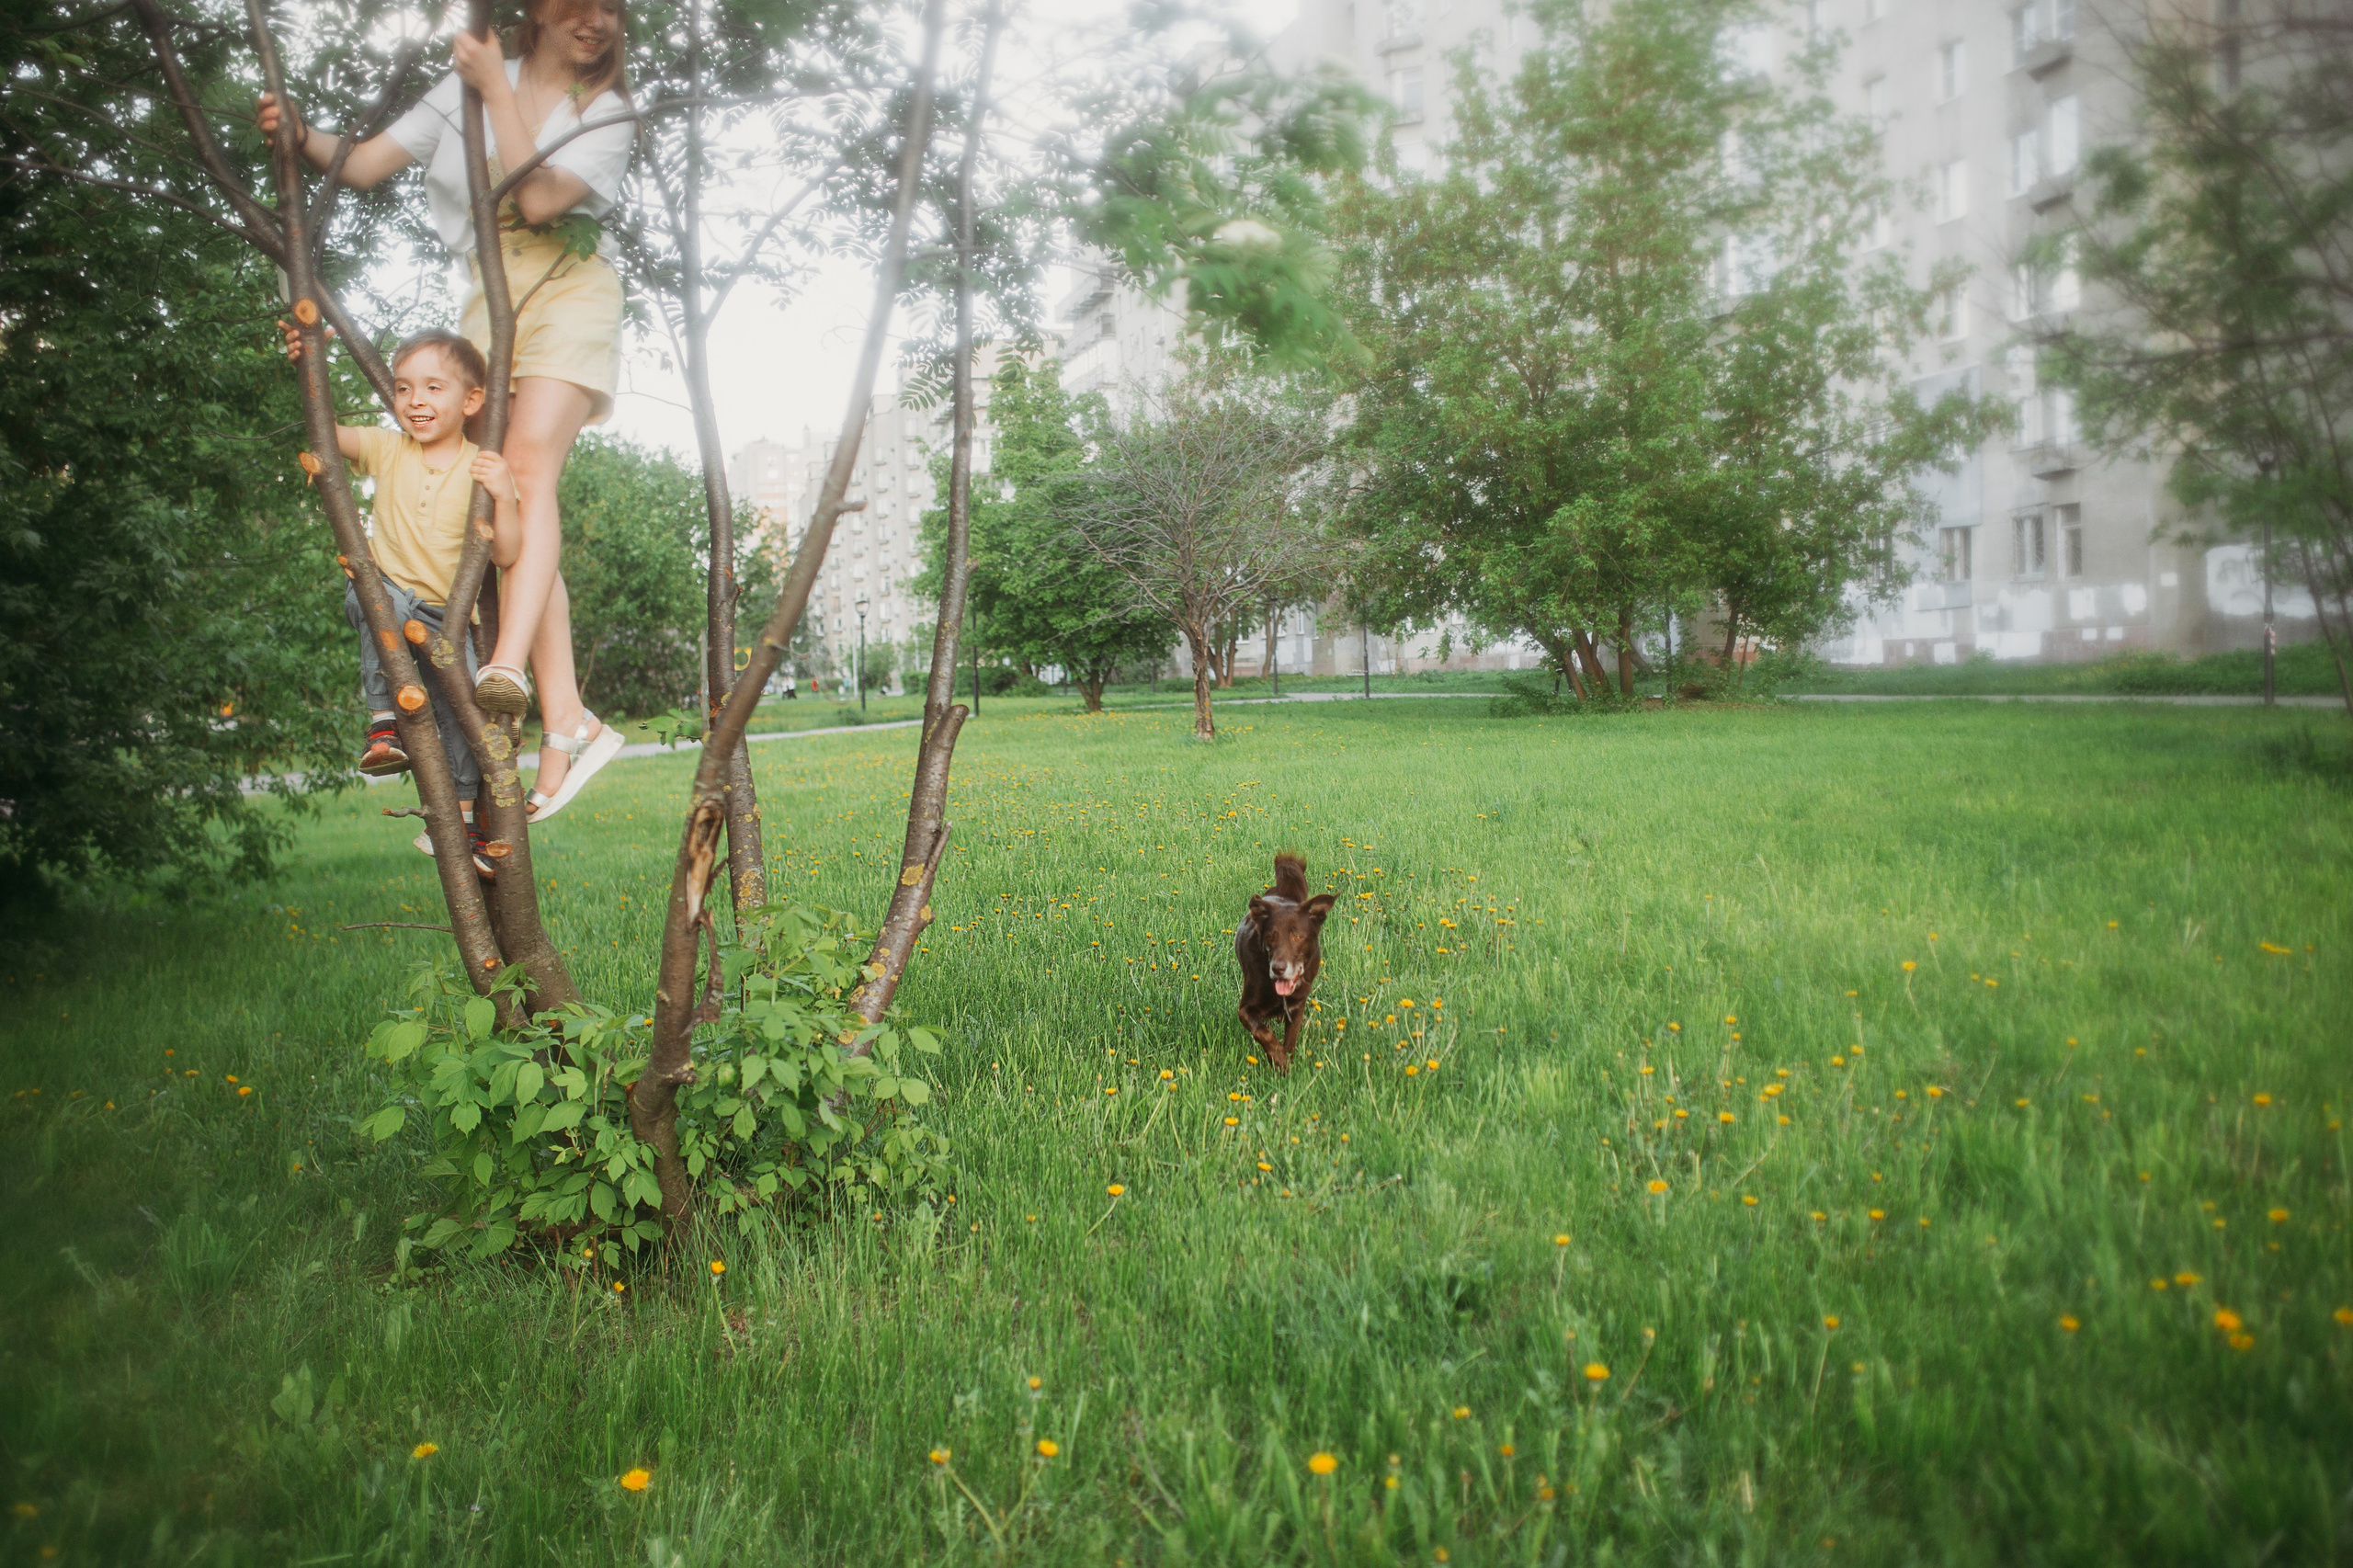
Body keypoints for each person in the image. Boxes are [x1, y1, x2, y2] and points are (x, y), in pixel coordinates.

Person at [258, 0, 629, 822]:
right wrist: (300, 134)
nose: (596, 19)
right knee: (494, 495)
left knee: (523, 471)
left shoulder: (603, 112)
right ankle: (569, 719)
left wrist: (495, 85)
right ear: (538, 11)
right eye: (579, 3)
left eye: (612, 8)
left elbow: (538, 203)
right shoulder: (459, 91)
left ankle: (507, 670)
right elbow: (359, 166)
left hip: (568, 286)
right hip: (487, 297)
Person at [313, 330, 512, 879]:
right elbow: (325, 434)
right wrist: (312, 355)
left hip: (445, 620)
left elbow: (510, 552)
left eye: (432, 388)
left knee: (468, 710)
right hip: (381, 590)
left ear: (471, 401)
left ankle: (461, 826)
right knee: (382, 608)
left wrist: (506, 495)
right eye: (403, 389)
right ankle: (383, 724)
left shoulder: (480, 468)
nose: (415, 401)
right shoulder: (387, 447)